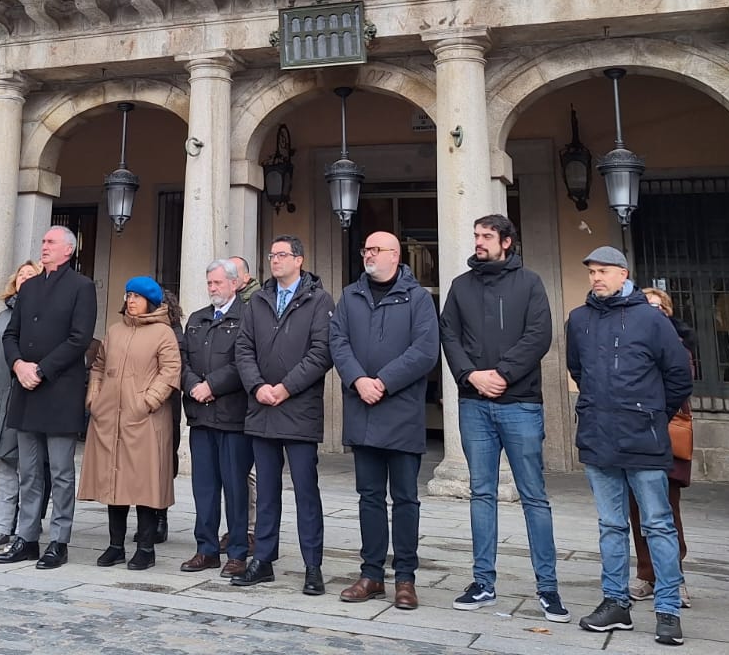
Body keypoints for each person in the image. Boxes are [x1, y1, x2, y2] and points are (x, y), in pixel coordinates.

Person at [439, 214, 567, 622]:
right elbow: (449, 335)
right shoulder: (460, 286)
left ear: (506, 242)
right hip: (473, 403)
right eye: (476, 234)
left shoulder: (529, 283)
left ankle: (548, 588)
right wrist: (472, 375)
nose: (479, 241)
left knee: (533, 496)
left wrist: (503, 374)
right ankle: (483, 583)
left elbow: (539, 335)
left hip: (521, 404)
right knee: (481, 494)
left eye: (487, 236)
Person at [566, 246, 692, 646]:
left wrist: (652, 413)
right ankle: (615, 602)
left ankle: (668, 608)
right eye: (591, 272)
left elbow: (679, 376)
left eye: (604, 271)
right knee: (610, 524)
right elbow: (577, 369)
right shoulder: (579, 320)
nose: (596, 278)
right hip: (598, 436)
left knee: (657, 523)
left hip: (644, 437)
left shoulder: (651, 320)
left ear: (624, 274)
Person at [330, 231, 441, 611]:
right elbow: (337, 342)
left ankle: (405, 579)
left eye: (376, 249)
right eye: (366, 249)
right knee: (369, 498)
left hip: (402, 411)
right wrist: (359, 380)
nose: (368, 254)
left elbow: (425, 351)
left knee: (406, 499)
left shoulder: (419, 298)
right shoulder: (349, 296)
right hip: (362, 409)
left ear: (396, 255)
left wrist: (384, 381)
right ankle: (371, 574)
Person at [231, 234, 334, 596]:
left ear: (299, 259)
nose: (274, 260)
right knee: (268, 490)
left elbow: (322, 353)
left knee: (306, 491)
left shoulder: (319, 300)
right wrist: (258, 386)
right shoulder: (258, 300)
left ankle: (312, 565)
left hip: (299, 409)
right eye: (271, 254)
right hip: (261, 408)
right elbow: (242, 348)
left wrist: (285, 387)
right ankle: (263, 560)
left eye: (281, 255)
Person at [0, 226, 98, 570]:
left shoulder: (81, 287)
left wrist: (41, 369)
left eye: (51, 242)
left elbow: (79, 338)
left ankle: (59, 539)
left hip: (59, 391)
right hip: (25, 390)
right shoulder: (29, 287)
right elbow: (11, 333)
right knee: (28, 471)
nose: (44, 247)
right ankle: (26, 537)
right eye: (42, 242)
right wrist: (19, 364)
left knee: (61, 470)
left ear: (68, 249)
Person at [80, 275, 181, 570]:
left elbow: (171, 371)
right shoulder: (115, 330)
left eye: (136, 296)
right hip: (111, 415)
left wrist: (147, 401)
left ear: (150, 301)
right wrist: (94, 398)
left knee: (144, 483)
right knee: (115, 481)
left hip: (145, 419)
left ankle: (146, 548)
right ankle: (115, 545)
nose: (131, 301)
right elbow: (98, 365)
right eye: (128, 296)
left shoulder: (163, 333)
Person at [179, 259, 253, 576]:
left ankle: (237, 551)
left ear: (234, 284)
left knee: (236, 488)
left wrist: (212, 386)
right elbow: (181, 360)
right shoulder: (197, 319)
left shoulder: (248, 317)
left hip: (233, 418)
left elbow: (245, 363)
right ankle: (205, 549)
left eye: (218, 283)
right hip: (201, 417)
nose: (213, 288)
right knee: (204, 488)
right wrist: (194, 385)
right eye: (209, 283)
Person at [629, 285, 696, 608]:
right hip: (632, 436)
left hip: (666, 434)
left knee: (667, 510)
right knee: (635, 509)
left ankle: (675, 577)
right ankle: (646, 574)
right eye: (647, 307)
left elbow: (681, 383)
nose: (654, 313)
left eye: (660, 308)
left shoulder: (680, 348)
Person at [0, 260, 40, 554]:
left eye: (32, 276)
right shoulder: (3, 316)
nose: (25, 280)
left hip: (29, 399)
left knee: (29, 470)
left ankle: (25, 529)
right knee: (3, 465)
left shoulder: (42, 314)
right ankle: (1, 528)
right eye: (21, 277)